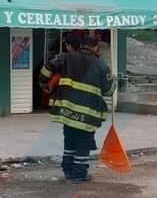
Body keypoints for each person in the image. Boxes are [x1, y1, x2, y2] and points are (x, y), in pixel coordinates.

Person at [39, 36, 115, 181]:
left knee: (69, 140)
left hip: (67, 111)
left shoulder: (65, 57)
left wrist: (44, 85)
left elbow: (46, 69)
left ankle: (68, 170)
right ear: (95, 47)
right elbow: (108, 91)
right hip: (87, 113)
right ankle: (78, 174)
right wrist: (113, 80)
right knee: (83, 143)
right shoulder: (101, 65)